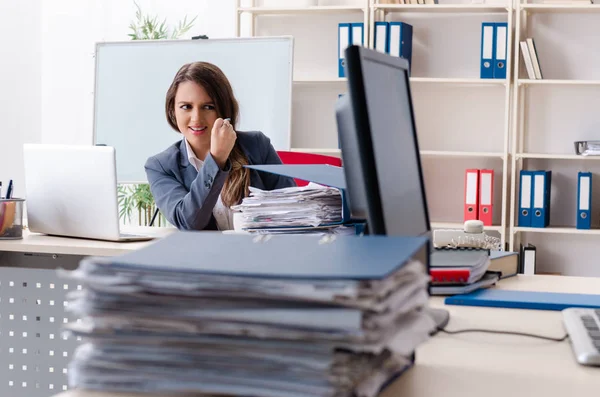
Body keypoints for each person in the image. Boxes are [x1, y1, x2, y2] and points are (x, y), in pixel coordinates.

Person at [145, 62, 295, 231]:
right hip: (206, 256)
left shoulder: (257, 145)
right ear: (172, 110)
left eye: (208, 107)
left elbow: (294, 209)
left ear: (223, 109)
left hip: (260, 252)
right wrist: (216, 159)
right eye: (186, 107)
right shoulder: (161, 166)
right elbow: (189, 223)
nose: (196, 118)